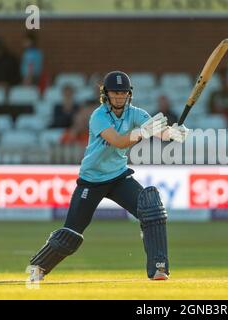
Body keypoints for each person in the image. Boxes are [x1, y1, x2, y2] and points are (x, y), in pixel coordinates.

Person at [28, 71, 189, 282]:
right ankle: (37, 268)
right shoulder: (99, 116)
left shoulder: (136, 113)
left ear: (129, 94)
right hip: (91, 180)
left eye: (123, 93)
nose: (119, 97)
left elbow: (159, 132)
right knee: (71, 234)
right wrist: (142, 132)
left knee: (151, 209)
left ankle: (159, 269)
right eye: (115, 92)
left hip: (119, 177)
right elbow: (120, 141)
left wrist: (173, 133)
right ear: (106, 94)